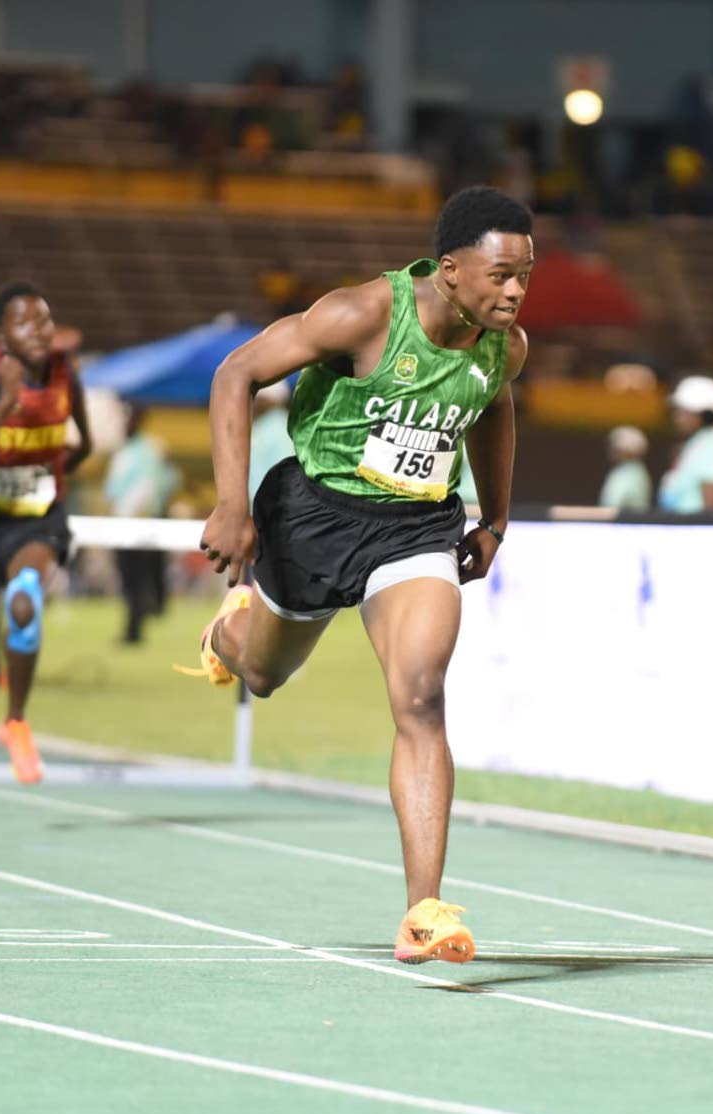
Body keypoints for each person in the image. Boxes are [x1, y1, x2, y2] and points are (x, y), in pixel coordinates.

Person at [189, 185, 532, 964]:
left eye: (525, 277)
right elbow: (235, 374)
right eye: (501, 274)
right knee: (264, 674)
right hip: (313, 517)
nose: (515, 292)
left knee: (420, 695)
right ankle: (229, 631)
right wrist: (230, 505)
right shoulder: (363, 314)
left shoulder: (502, 348)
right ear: (449, 270)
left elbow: (497, 407)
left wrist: (496, 520)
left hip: (416, 528)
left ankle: (424, 911)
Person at [0, 282, 91, 781]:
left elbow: (85, 443)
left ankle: (15, 721)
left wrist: (47, 476)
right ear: (3, 333)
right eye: (27, 322)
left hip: (37, 521)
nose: (40, 330)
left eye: (46, 319)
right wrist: (7, 399)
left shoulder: (63, 373)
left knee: (25, 599)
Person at [103, 404, 180, 644]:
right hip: (126, 523)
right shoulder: (128, 450)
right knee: (131, 579)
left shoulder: (147, 449)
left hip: (138, 523)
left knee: (134, 579)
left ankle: (134, 629)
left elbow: (160, 484)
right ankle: (140, 620)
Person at [657, 375, 713, 513]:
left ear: (704, 414)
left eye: (684, 411)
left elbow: (711, 510)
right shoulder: (702, 442)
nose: (677, 417)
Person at [599, 426, 652, 509]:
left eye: (617, 447)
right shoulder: (624, 470)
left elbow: (614, 503)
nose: (612, 449)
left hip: (624, 520)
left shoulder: (633, 471)